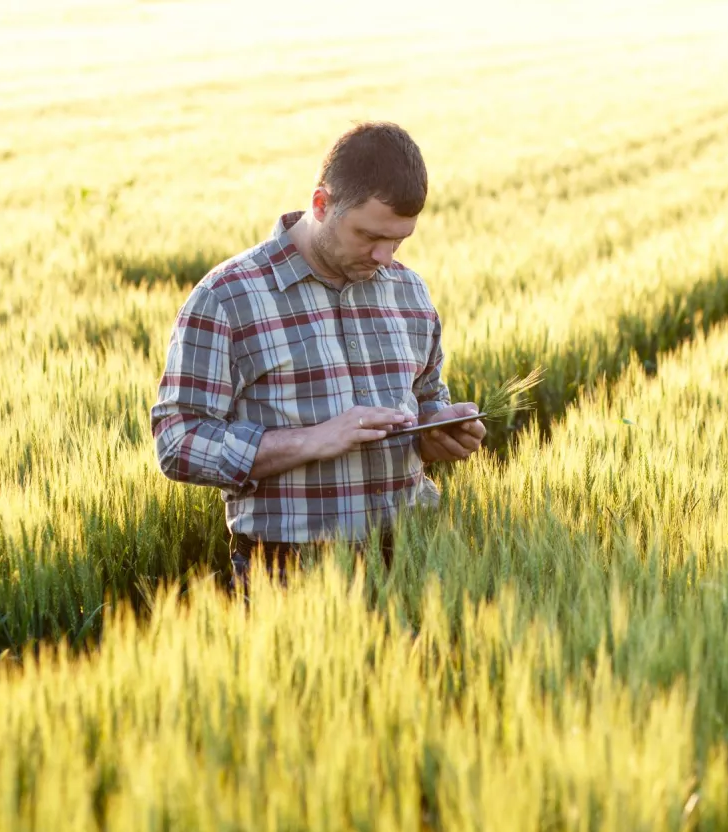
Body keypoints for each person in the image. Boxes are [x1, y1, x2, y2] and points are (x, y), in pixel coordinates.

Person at [149, 121, 485, 590]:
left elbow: (426, 399)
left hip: (414, 558)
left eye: (400, 239)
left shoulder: (409, 291)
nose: (385, 256)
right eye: (369, 236)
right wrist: (312, 440)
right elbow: (177, 443)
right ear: (322, 204)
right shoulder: (227, 297)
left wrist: (439, 433)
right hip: (289, 574)